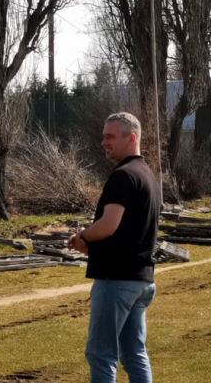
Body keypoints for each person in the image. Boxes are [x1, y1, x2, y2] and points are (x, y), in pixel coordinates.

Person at [67, 112, 160, 383]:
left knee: (101, 354)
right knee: (133, 353)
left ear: (131, 138)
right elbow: (128, 232)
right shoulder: (148, 176)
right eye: (103, 136)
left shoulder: (123, 176)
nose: (103, 142)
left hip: (117, 281)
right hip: (140, 280)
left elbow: (108, 225)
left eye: (110, 137)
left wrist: (83, 234)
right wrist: (93, 246)